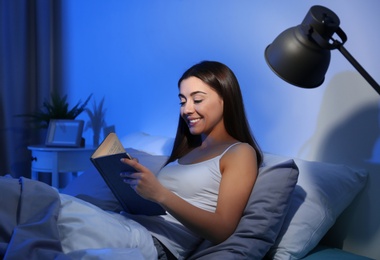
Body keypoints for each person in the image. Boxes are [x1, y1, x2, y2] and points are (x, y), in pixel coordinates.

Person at [120, 60, 263, 259]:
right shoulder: (186, 150)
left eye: (197, 100)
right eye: (182, 101)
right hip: (126, 225)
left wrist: (160, 194)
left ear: (226, 99)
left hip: (152, 243)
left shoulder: (240, 153)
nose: (186, 109)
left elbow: (223, 229)